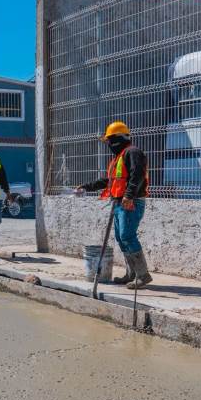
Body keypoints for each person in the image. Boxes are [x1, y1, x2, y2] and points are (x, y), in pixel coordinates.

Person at [77, 121, 152, 288]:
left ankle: (142, 274)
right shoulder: (118, 158)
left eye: (110, 140)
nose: (109, 144)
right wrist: (87, 187)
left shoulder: (133, 152)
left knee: (127, 236)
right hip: (119, 202)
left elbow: (137, 175)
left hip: (130, 201)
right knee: (121, 237)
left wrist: (129, 195)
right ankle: (131, 273)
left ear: (118, 139)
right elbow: (109, 181)